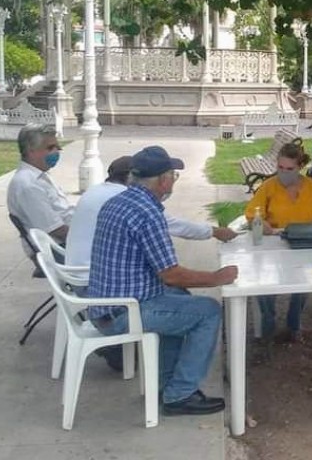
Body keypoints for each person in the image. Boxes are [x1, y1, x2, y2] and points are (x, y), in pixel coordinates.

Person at [88, 145, 238, 416]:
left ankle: (167, 386)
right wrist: (217, 277)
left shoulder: (118, 201)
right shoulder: (148, 213)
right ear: (163, 180)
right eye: (173, 176)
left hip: (105, 307)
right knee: (208, 312)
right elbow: (170, 273)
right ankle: (180, 394)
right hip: (123, 312)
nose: (173, 182)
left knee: (180, 300)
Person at [245, 142, 312, 341]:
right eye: (280, 168)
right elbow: (251, 215)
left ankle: (293, 324)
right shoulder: (269, 186)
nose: (283, 172)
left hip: (305, 243)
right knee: (263, 280)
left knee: (304, 279)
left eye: (289, 169)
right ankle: (268, 321)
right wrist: (260, 223)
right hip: (274, 243)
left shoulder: (311, 187)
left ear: (299, 167)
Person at [66, 156, 238, 268]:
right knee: (201, 308)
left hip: (79, 269)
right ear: (131, 178)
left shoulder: (95, 191)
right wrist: (214, 231)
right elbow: (174, 227)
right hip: (91, 277)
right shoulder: (129, 201)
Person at [7, 124, 72, 245]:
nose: (56, 152)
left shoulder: (40, 176)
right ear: (31, 151)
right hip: (59, 249)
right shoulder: (28, 185)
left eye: (58, 147)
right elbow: (56, 230)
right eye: (50, 148)